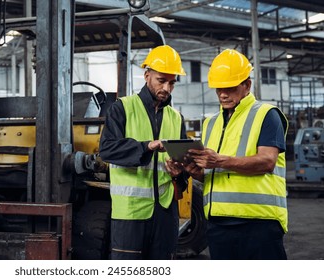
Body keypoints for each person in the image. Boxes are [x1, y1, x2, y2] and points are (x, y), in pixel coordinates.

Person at [182, 49, 288, 260]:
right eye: (218, 88)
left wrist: (219, 160)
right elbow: (214, 174)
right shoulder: (210, 123)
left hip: (259, 223)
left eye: (230, 87)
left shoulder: (267, 114)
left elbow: (267, 161)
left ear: (247, 85)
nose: (223, 94)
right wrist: (196, 172)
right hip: (218, 223)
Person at [99, 45, 189, 260]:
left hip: (166, 211)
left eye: (172, 82)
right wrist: (147, 146)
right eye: (161, 80)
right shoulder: (123, 108)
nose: (166, 88)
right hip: (131, 211)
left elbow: (184, 163)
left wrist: (180, 172)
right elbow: (107, 149)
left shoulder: (176, 118)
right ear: (147, 75)